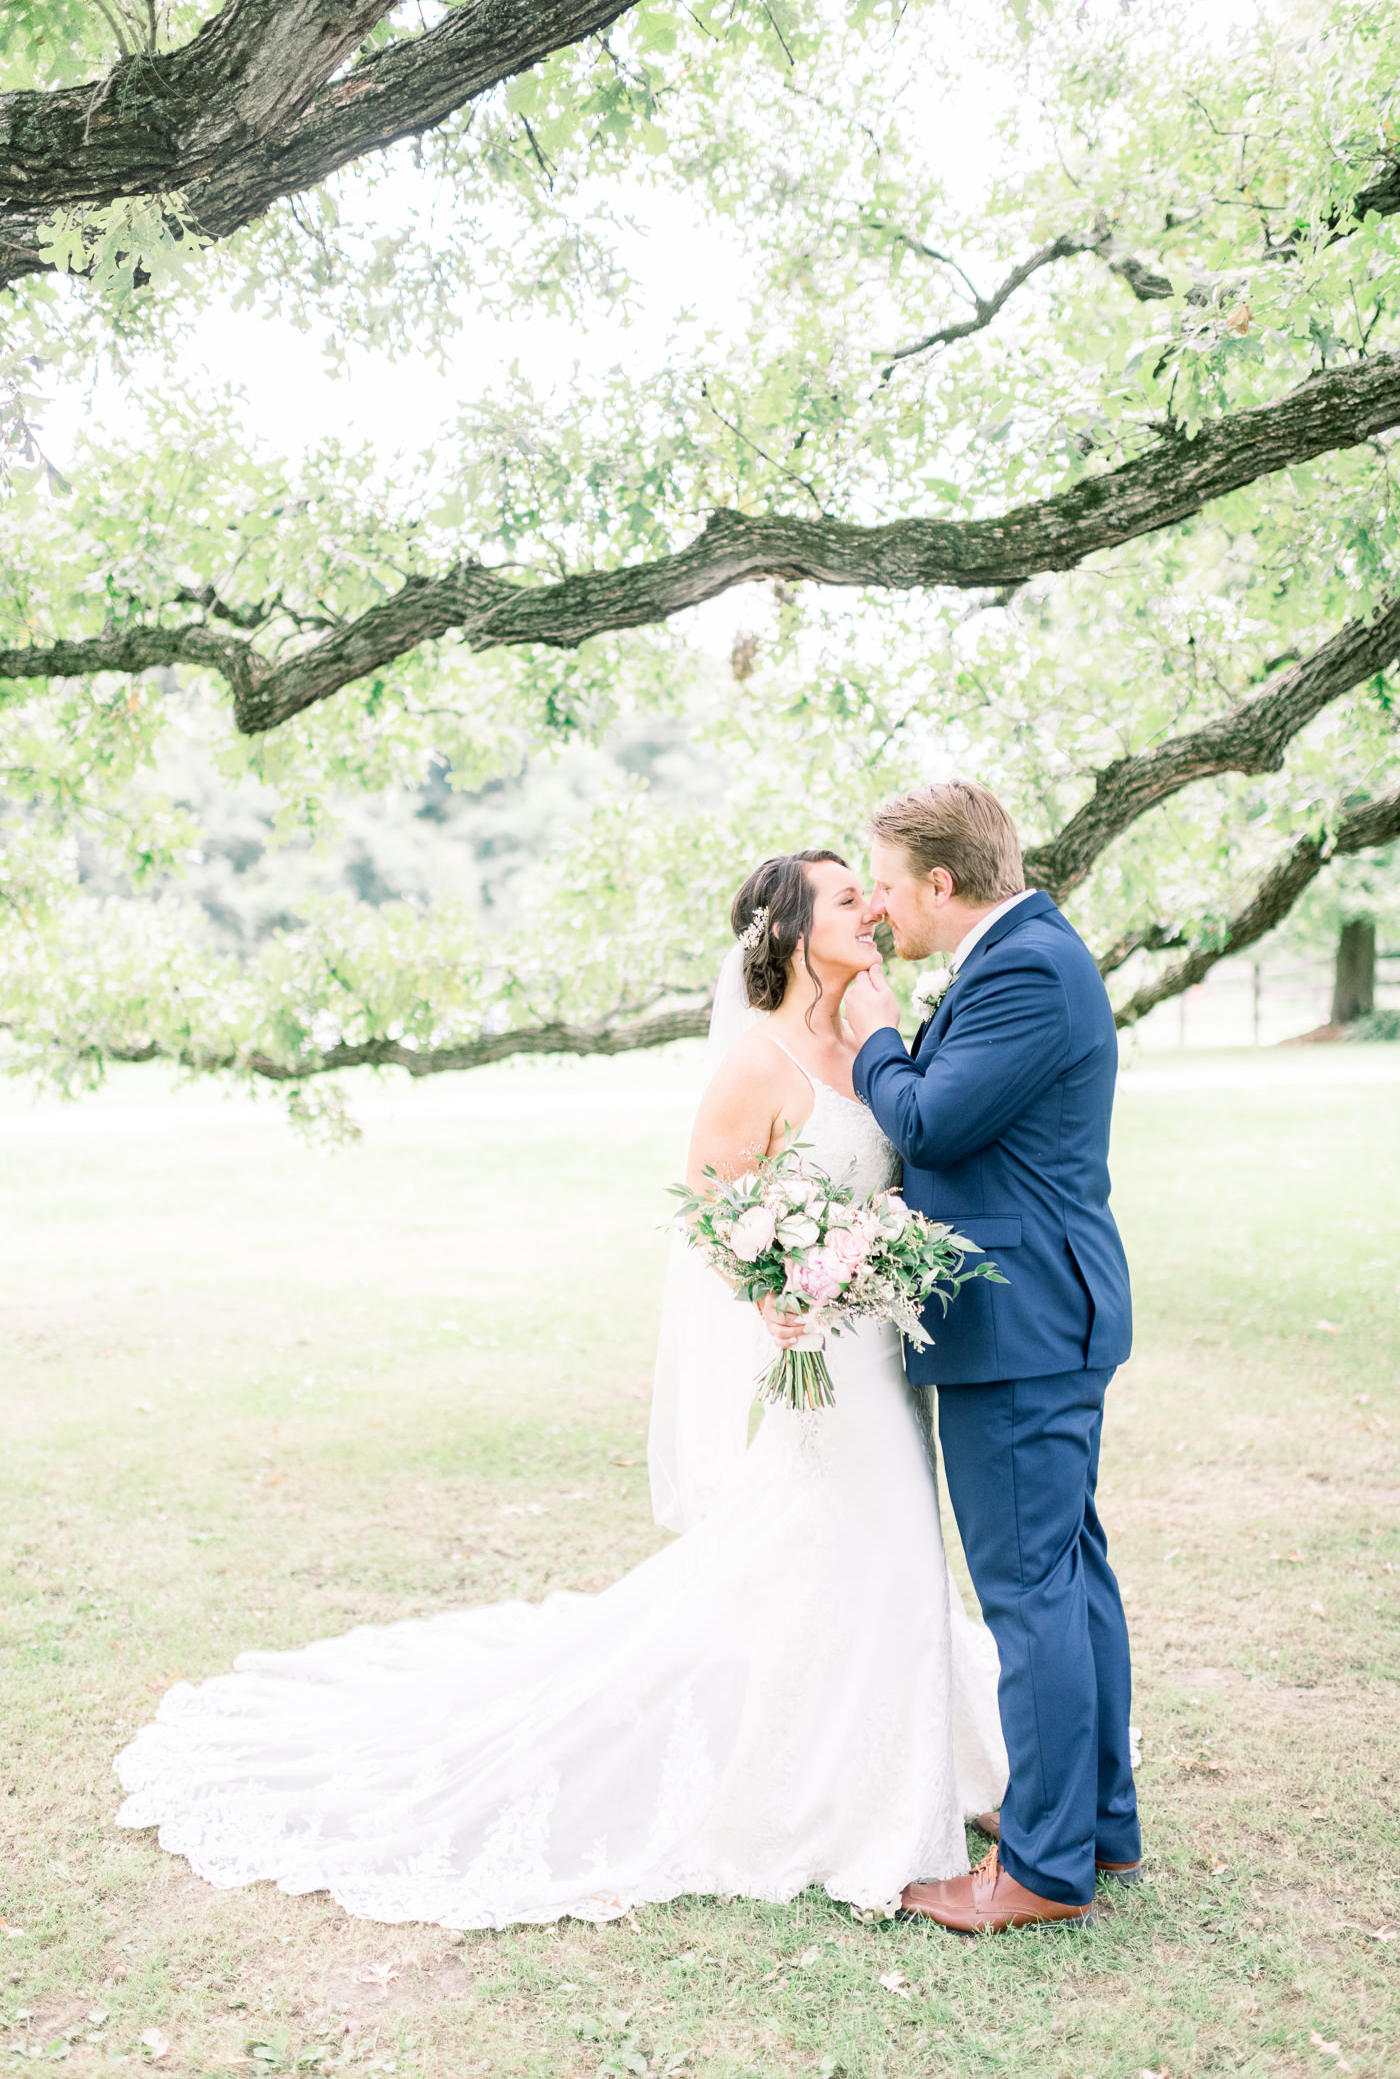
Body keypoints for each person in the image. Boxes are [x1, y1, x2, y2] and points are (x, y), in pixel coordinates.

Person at [114, 848, 1005, 1929]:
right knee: (853, 1541)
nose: (871, 905)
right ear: (787, 931)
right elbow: (713, 1203)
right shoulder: (759, 1061)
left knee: (893, 1551)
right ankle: (827, 1783)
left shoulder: (874, 1029)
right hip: (819, 1357)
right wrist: (769, 1287)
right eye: (847, 896)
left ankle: (898, 1756)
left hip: (882, 1348)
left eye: (869, 892)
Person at [836, 779, 1139, 1931]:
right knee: (1067, 1577)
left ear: (942, 885)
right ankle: (1093, 1823)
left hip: (1018, 1327)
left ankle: (1043, 1870)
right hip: (1038, 1318)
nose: (878, 905)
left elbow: (928, 1122)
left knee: (1030, 1593)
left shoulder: (1023, 969)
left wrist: (870, 1036)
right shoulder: (1023, 957)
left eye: (888, 883)